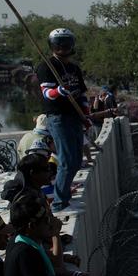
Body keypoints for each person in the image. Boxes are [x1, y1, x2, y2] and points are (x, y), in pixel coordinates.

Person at [5, 193, 98, 276]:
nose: (50, 223)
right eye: (46, 221)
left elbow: (52, 270)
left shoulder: (23, 241)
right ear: (31, 227)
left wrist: (77, 275)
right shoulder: (25, 252)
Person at [36, 28, 90, 210]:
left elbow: (82, 95)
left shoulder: (74, 68)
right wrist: (58, 91)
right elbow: (46, 93)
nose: (63, 47)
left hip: (75, 117)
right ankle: (59, 203)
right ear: (53, 45)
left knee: (76, 160)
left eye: (66, 43)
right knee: (66, 160)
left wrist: (86, 115)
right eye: (59, 43)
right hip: (58, 117)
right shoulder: (46, 66)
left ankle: (64, 194)